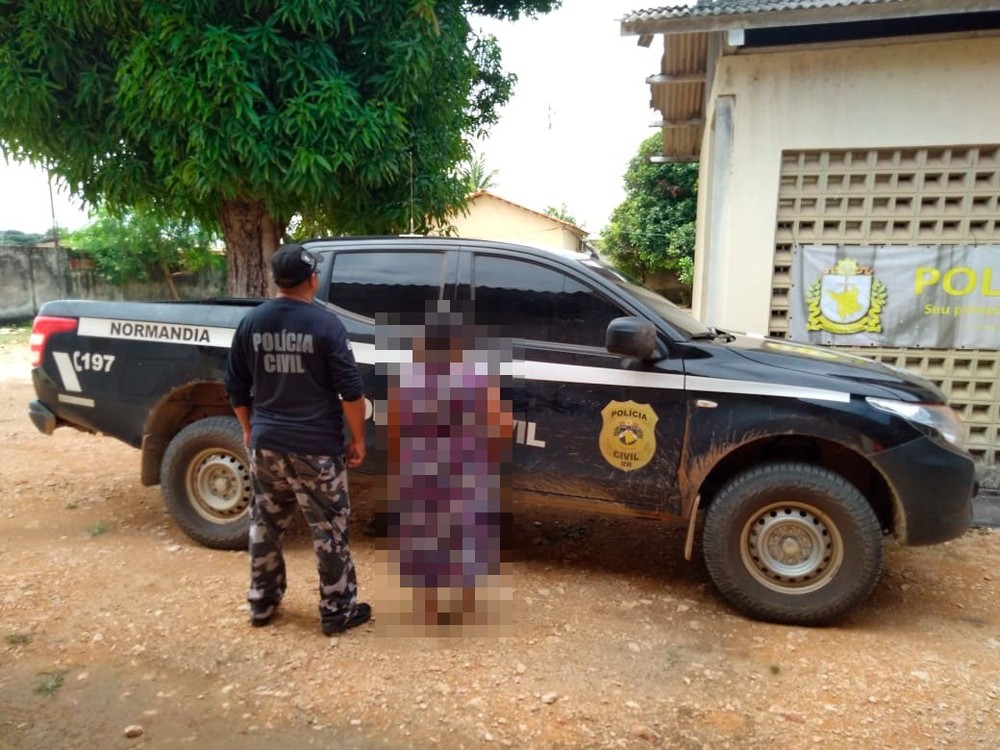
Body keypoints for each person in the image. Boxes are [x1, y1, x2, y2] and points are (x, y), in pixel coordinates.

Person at [224, 243, 371, 636]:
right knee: (329, 529)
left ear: (277, 280)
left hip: (266, 443)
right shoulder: (325, 326)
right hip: (316, 448)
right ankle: (337, 611)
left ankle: (262, 603)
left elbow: (235, 386)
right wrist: (358, 439)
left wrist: (248, 428)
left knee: (265, 524)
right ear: (312, 280)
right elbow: (352, 393)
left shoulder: (251, 323)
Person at [384, 305, 513, 632]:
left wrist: (400, 465)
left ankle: (428, 611)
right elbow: (501, 424)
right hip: (467, 471)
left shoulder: (409, 380)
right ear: (459, 346)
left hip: (420, 471)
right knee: (465, 536)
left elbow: (395, 429)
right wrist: (489, 457)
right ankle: (464, 608)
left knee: (423, 537)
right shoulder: (477, 378)